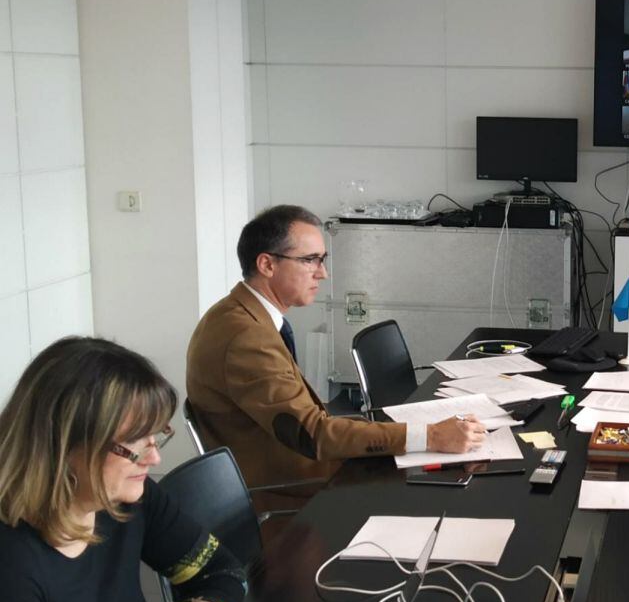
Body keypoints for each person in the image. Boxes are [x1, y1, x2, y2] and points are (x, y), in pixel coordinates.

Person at [0, 337, 265, 602]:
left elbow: (224, 572)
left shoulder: (126, 500)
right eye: (134, 446)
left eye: (155, 438)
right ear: (64, 447)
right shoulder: (12, 559)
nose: (153, 459)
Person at [186, 205, 486, 511]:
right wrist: (431, 435)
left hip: (301, 467)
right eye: (309, 260)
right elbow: (314, 434)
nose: (323, 273)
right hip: (290, 488)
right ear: (267, 264)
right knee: (450, 493)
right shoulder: (245, 338)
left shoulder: (241, 315)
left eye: (322, 260)